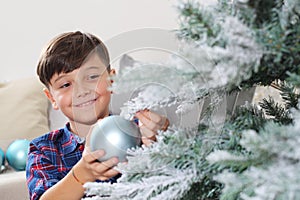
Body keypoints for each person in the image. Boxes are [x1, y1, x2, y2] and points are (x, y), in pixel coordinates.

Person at [26, 31, 169, 200]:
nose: (81, 90)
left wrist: (161, 137)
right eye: (65, 84)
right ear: (52, 99)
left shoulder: (138, 131)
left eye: (92, 76)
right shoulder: (43, 149)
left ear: (112, 80)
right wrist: (82, 174)